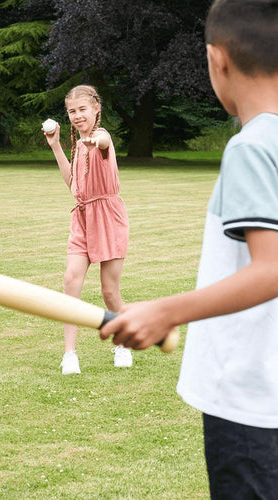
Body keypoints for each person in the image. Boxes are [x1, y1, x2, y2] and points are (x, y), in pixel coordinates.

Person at [100, 0, 278, 497]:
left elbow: (273, 269)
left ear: (216, 59)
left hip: (251, 402)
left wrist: (166, 311)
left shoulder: (253, 147)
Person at [44, 84, 130, 375]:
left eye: (82, 109)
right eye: (71, 111)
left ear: (96, 109)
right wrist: (56, 145)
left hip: (108, 217)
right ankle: (70, 354)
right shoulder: (77, 145)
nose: (77, 115)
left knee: (109, 292)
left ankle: (122, 343)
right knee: (71, 280)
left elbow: (104, 140)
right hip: (82, 218)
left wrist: (96, 142)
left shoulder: (100, 138)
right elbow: (73, 186)